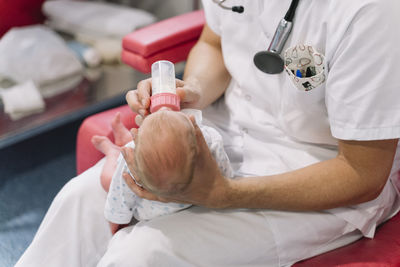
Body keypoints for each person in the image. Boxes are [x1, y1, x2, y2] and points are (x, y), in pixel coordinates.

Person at [16, 0, 400, 266]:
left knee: (143, 256)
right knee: (80, 201)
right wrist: (190, 92)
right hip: (226, 125)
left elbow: (362, 173)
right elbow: (215, 43)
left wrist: (222, 195)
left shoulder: (371, 13)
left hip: (318, 164)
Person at [92, 109, 233, 234]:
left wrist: (116, 221)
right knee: (155, 146)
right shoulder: (208, 146)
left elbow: (119, 194)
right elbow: (226, 175)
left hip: (143, 202)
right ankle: (118, 143)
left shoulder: (130, 161)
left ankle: (112, 152)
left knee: (107, 180)